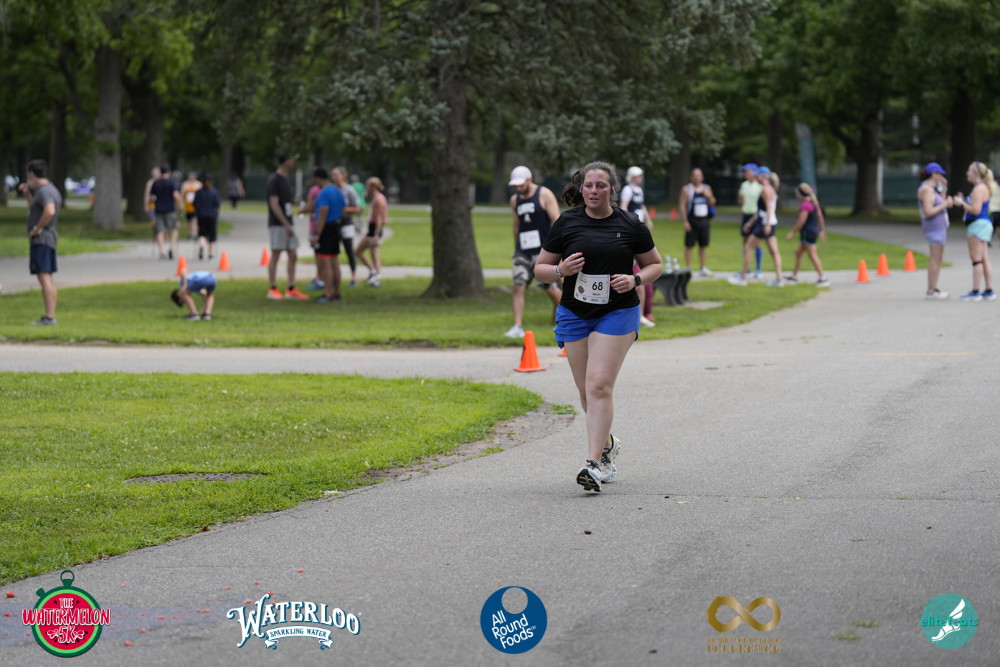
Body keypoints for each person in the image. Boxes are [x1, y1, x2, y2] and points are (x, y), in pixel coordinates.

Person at [534, 161, 663, 493]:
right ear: (581, 189)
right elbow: (540, 268)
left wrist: (635, 279)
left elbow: (655, 265)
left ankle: (595, 464)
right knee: (586, 392)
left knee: (599, 385)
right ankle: (607, 443)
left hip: (617, 312)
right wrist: (561, 270)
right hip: (574, 313)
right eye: (588, 186)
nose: (593, 191)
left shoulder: (630, 224)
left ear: (612, 189)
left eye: (600, 186)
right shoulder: (567, 222)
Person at [503, 165, 563, 338]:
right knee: (518, 285)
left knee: (549, 287)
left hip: (543, 250)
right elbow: (516, 224)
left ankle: (569, 318)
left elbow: (557, 221)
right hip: (523, 250)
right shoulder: (515, 199)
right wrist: (516, 248)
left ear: (530, 180)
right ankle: (517, 326)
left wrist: (557, 249)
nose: (518, 188)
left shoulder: (544, 194)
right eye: (515, 185)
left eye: (521, 184)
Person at [19, 159, 62, 326]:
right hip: (48, 238)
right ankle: (50, 315)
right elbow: (36, 209)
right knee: (47, 276)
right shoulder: (48, 190)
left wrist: (37, 229)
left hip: (42, 239)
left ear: (32, 174)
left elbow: (49, 211)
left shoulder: (45, 191)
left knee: (44, 276)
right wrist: (28, 195)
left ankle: (49, 317)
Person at [729, 166, 783, 286]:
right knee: (774, 252)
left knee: (748, 247)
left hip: (764, 223)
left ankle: (743, 277)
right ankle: (779, 279)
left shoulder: (765, 189)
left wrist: (766, 225)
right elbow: (761, 210)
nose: (756, 178)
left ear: (762, 176)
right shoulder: (771, 189)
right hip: (771, 222)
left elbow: (768, 208)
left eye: (757, 175)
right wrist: (751, 222)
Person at [266, 154, 308, 300]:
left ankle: (291, 288)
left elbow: (284, 201)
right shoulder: (274, 180)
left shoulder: (285, 179)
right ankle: (272, 288)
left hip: (288, 222)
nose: (294, 162)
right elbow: (274, 204)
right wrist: (285, 224)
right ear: (285, 162)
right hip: (278, 224)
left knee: (293, 255)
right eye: (292, 159)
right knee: (276, 254)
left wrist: (294, 201)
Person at [952, 161, 996, 302]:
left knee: (976, 259)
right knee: (984, 258)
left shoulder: (978, 189)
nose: (967, 173)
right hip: (984, 224)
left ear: (976, 173)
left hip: (977, 225)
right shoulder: (982, 187)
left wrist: (961, 204)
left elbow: (976, 210)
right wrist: (965, 201)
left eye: (969, 171)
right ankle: (989, 290)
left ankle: (975, 292)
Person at [619, 166, 656, 328]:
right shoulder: (628, 190)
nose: (639, 178)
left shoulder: (639, 190)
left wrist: (648, 219)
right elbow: (624, 206)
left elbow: (642, 206)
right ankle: (639, 314)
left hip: (639, 227)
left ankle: (642, 313)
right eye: (637, 176)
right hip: (632, 228)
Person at [309, 168, 346, 302]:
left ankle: (327, 293)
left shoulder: (324, 193)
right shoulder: (338, 191)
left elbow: (323, 211)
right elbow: (343, 211)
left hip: (326, 229)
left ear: (318, 178)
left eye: (313, 178)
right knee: (334, 261)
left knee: (326, 262)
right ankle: (336, 292)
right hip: (336, 227)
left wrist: (318, 233)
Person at [917, 163, 951, 300]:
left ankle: (934, 288)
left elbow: (940, 202)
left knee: (938, 258)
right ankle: (931, 290)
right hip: (934, 227)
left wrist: (944, 188)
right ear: (934, 174)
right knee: (935, 258)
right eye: (940, 174)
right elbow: (928, 211)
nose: (941, 177)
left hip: (938, 227)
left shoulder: (931, 189)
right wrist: (945, 204)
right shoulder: (927, 190)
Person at [784, 183, 829, 286]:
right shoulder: (814, 202)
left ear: (801, 194)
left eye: (797, 193)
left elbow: (802, 221)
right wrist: (822, 230)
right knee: (798, 252)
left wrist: (792, 232)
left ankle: (823, 278)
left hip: (807, 232)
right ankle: (794, 276)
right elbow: (820, 216)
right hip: (812, 231)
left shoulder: (805, 205)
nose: (796, 195)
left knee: (812, 255)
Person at [678, 168, 717, 276]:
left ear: (702, 177)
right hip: (692, 221)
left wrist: (709, 196)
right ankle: (688, 268)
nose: (697, 178)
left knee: (703, 246)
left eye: (699, 175)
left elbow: (713, 202)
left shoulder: (707, 188)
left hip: (704, 221)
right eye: (695, 176)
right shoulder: (687, 189)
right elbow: (682, 205)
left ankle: (703, 267)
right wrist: (685, 221)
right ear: (691, 177)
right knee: (689, 245)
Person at [333, 166, 362, 287]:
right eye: (333, 175)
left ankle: (353, 277)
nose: (334, 177)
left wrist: (345, 210)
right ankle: (334, 278)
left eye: (336, 175)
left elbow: (357, 208)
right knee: (333, 252)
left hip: (346, 224)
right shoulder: (332, 190)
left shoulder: (349, 190)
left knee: (349, 250)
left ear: (343, 176)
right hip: (334, 224)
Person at [356, 177, 387, 287]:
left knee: (371, 254)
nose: (366, 187)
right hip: (372, 228)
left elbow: (379, 217)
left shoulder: (378, 199)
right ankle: (374, 273)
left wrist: (376, 233)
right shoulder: (377, 198)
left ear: (373, 186)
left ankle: (376, 276)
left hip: (374, 229)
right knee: (366, 253)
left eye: (368, 185)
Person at [149, 164, 184, 260]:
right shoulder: (172, 182)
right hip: (170, 209)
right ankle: (171, 247)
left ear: (160, 172)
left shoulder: (156, 183)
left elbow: (152, 198)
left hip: (158, 210)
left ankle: (161, 252)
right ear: (169, 172)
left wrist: (152, 207)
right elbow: (176, 195)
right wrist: (180, 206)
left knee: (160, 230)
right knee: (174, 229)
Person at [737, 163, 763, 279]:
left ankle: (758, 268)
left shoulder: (759, 186)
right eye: (745, 172)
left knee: (756, 243)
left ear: (754, 172)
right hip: (746, 215)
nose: (746, 174)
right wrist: (743, 204)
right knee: (745, 242)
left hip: (756, 215)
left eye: (748, 171)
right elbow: (740, 198)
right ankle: (746, 268)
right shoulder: (744, 185)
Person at [300, 168, 325, 291]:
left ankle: (320, 278)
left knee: (318, 254)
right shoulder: (330, 189)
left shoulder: (314, 190)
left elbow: (309, 207)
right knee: (327, 255)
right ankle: (324, 278)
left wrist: (301, 210)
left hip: (316, 226)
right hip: (328, 225)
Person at [193, 173, 222, 261]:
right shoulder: (214, 191)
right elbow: (217, 204)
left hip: (201, 215)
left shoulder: (198, 192)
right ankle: (210, 254)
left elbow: (195, 204)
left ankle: (202, 246)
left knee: (202, 233)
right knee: (212, 235)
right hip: (212, 215)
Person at [181, 171, 203, 241]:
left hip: (196, 205)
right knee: (189, 221)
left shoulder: (199, 184)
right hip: (188, 206)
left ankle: (195, 234)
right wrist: (181, 205)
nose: (191, 178)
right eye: (190, 177)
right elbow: (182, 195)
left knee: (195, 220)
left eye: (193, 177)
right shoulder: (185, 184)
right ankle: (190, 234)